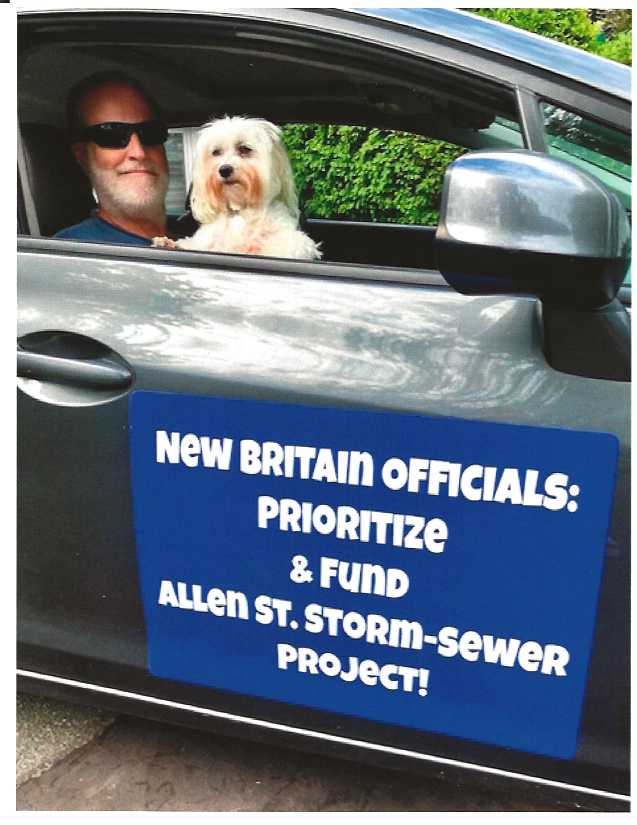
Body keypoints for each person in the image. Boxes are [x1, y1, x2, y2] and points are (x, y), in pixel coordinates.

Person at [55, 71, 170, 246]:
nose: (139, 152)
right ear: (83, 156)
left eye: (150, 132)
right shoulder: (72, 251)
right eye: (111, 134)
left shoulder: (200, 238)